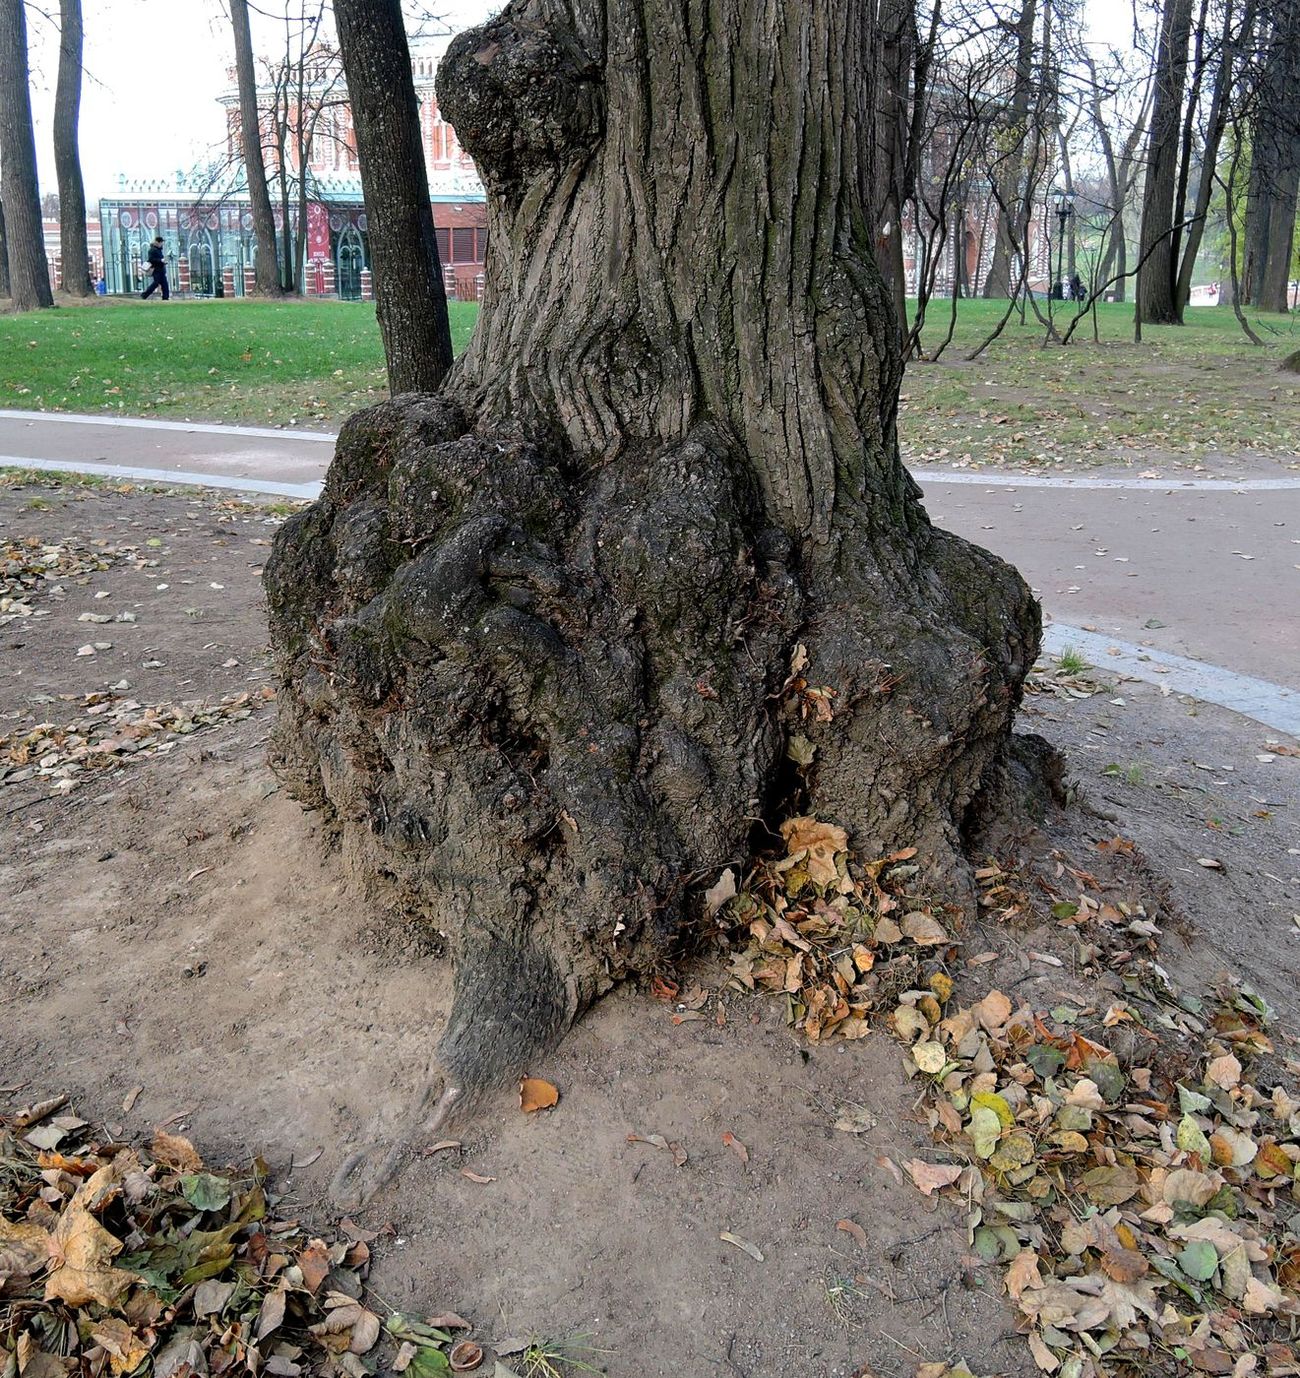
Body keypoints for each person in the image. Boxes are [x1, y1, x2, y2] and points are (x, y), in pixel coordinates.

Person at [141, 236, 169, 301]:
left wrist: (163, 262)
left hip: (161, 269)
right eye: (161, 243)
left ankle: (165, 297)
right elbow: (151, 259)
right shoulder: (152, 250)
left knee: (164, 284)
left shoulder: (159, 250)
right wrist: (160, 260)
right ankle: (144, 295)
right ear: (157, 242)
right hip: (156, 270)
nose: (162, 244)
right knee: (156, 283)